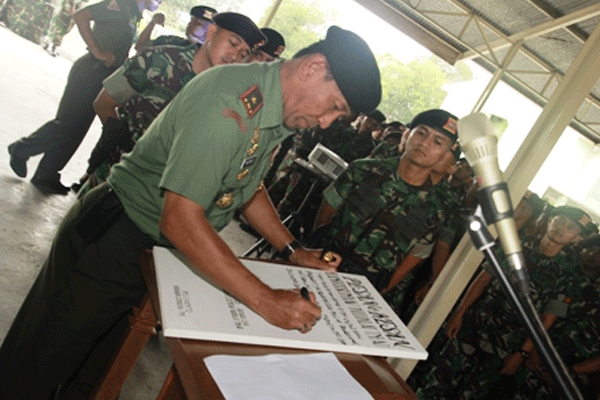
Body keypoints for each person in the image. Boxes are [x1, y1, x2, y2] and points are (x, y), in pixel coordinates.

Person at [0, 25, 381, 400]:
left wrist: (292, 249)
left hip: (154, 254)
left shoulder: (273, 109)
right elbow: (180, 220)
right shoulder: (228, 102)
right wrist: (266, 301)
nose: (327, 121)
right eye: (335, 107)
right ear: (313, 68)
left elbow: (246, 185)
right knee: (32, 371)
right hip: (112, 243)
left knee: (94, 379)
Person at [414, 206, 594, 400]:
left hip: (506, 344)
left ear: (576, 238)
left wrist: (522, 353)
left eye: (570, 227)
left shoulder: (568, 275)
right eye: (560, 220)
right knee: (437, 382)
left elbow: (547, 320)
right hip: (474, 325)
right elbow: (483, 279)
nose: (561, 228)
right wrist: (459, 313)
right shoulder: (514, 244)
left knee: (471, 394)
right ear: (550, 220)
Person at [76, 11, 266, 195]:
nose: (234, 56)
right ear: (211, 32)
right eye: (233, 43)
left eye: (243, 54)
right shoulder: (159, 59)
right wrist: (120, 139)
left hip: (156, 197)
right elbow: (104, 103)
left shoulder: (225, 96)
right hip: (111, 180)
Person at [7, 0, 157, 194]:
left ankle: (47, 173)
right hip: (90, 70)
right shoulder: (118, 4)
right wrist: (96, 51)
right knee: (67, 124)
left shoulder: (133, 13)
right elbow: (81, 15)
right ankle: (21, 149)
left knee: (78, 129)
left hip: (103, 75)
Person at [311, 109, 459, 300]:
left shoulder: (434, 210)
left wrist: (382, 290)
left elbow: (413, 258)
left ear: (445, 155)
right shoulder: (363, 170)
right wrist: (316, 252)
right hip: (322, 263)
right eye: (421, 133)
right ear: (407, 135)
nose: (425, 143)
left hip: (364, 290)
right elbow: (326, 213)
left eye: (437, 142)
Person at [134, 5, 217, 51]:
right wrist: (152, 23)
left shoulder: (207, 63)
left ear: (210, 32)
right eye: (191, 20)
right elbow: (140, 46)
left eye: (198, 23)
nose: (190, 24)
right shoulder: (171, 41)